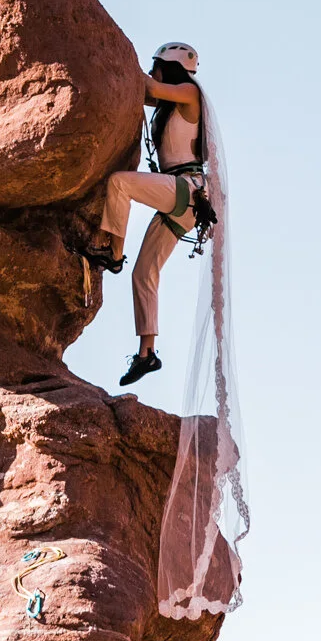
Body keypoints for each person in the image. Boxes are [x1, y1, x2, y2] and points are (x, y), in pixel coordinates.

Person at [82, 43, 219, 386]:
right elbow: (144, 93)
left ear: (168, 67)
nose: (152, 70)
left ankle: (112, 254)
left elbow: (151, 87)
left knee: (120, 184)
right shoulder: (171, 101)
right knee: (144, 273)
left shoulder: (189, 92)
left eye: (156, 65)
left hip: (186, 189)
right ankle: (147, 354)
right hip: (183, 198)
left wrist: (115, 58)